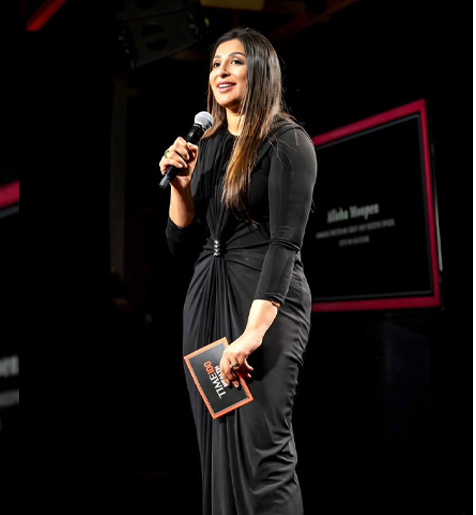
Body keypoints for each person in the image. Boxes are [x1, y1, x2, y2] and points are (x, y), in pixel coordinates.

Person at [160, 27, 316, 514]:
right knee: (219, 451)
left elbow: (285, 243)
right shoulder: (203, 146)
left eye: (236, 62)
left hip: (263, 304)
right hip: (206, 301)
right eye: (215, 64)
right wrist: (181, 187)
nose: (221, 72)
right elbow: (181, 246)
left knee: (262, 455)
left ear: (261, 71)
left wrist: (252, 334)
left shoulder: (287, 141)